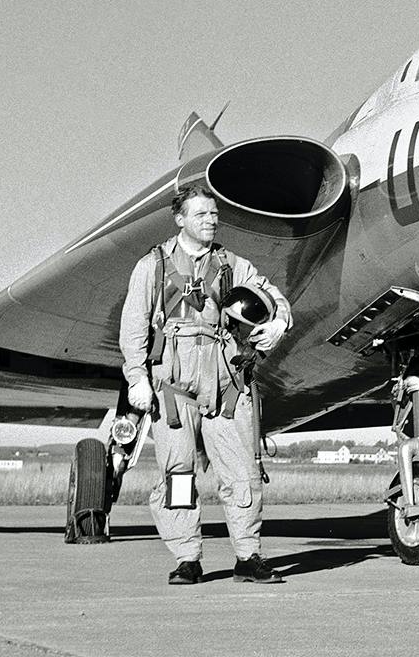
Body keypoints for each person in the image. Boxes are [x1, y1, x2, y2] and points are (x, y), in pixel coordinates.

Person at [119, 182, 292, 585]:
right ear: (180, 220)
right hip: (173, 386)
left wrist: (279, 323)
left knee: (241, 473)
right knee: (178, 474)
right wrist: (137, 379)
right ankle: (187, 558)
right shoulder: (155, 266)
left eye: (214, 214)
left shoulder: (233, 265)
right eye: (201, 214)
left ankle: (248, 558)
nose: (211, 220)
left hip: (226, 383)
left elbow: (274, 297)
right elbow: (133, 327)